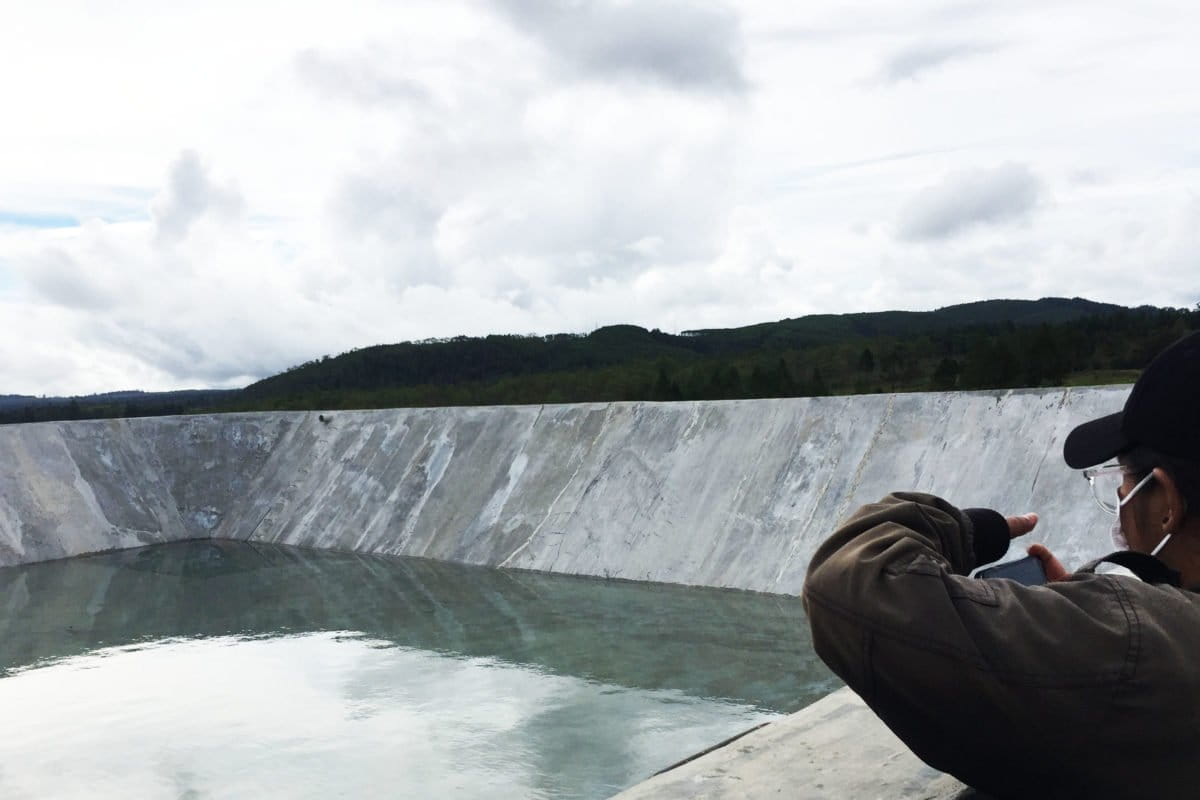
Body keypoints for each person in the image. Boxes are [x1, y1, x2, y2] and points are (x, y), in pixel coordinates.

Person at [802, 330, 1200, 800]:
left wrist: (969, 531)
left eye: (1122, 478)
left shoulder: (1136, 645)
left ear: (1167, 502)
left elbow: (845, 581)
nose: (1119, 496)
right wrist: (1079, 611)